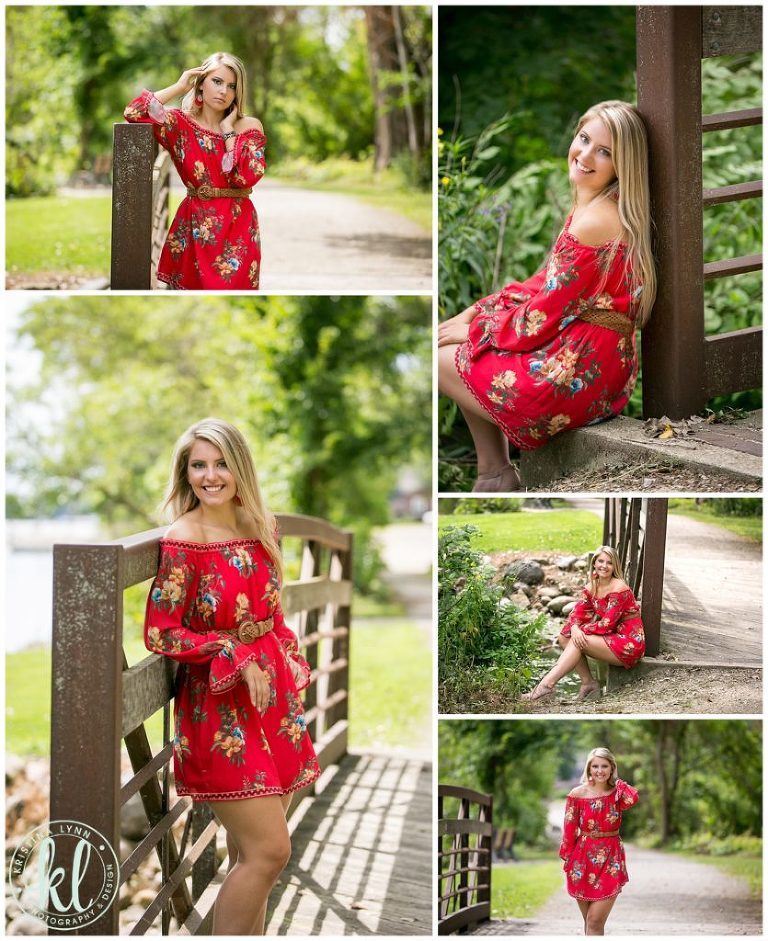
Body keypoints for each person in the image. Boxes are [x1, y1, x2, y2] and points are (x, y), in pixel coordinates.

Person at [143, 418, 319, 935]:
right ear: (186, 472)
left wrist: (284, 652)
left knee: (253, 855)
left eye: (220, 463)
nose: (210, 475)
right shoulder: (184, 540)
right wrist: (229, 650)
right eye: (199, 465)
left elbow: (272, 610)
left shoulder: (259, 524)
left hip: (272, 700)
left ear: (240, 467)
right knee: (270, 851)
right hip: (220, 709)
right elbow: (162, 632)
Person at [437, 100, 656, 491]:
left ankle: (494, 472)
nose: (585, 155)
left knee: (441, 358)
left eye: (604, 152)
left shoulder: (594, 221)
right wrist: (476, 311)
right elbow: (544, 284)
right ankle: (495, 473)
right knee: (458, 349)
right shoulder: (605, 205)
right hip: (603, 369)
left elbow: (541, 316)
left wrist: (477, 331)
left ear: (623, 165)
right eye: (584, 139)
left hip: (574, 375)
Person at [124, 52, 266, 289]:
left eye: (231, 86)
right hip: (196, 226)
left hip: (237, 227)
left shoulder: (248, 126)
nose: (223, 91)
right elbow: (133, 113)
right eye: (217, 81)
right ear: (200, 85)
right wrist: (179, 87)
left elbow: (245, 177)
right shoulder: (179, 124)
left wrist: (228, 130)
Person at [520, 546, 645, 702]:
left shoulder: (619, 588)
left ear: (615, 567)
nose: (604, 566)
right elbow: (576, 615)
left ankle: (545, 686)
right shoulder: (592, 586)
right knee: (564, 637)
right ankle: (588, 683)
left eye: (609, 563)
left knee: (578, 639)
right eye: (600, 561)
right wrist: (574, 628)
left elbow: (606, 625)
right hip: (612, 637)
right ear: (594, 563)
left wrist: (580, 630)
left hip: (628, 643)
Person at [559, 747, 639, 935]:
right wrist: (568, 858)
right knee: (589, 922)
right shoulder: (577, 794)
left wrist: (619, 783)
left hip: (611, 858)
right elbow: (569, 829)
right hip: (582, 860)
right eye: (595, 766)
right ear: (588, 769)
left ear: (612, 768)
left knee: (595, 921)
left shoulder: (617, 793)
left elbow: (632, 799)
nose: (600, 770)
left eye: (605, 766)